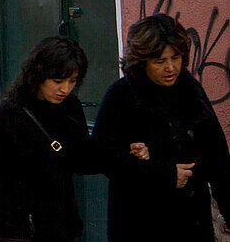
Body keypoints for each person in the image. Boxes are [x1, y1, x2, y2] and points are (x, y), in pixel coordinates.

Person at [92, 13, 230, 241]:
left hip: (191, 221)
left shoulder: (190, 91)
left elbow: (217, 155)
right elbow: (101, 157)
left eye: (175, 58)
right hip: (141, 223)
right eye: (159, 61)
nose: (170, 68)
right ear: (142, 60)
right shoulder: (122, 96)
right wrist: (161, 173)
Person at [0, 36, 97, 241]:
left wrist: (121, 151)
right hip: (19, 231)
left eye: (72, 81)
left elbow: (82, 161)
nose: (65, 89)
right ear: (38, 74)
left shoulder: (71, 107)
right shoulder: (9, 115)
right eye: (57, 81)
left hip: (62, 229)